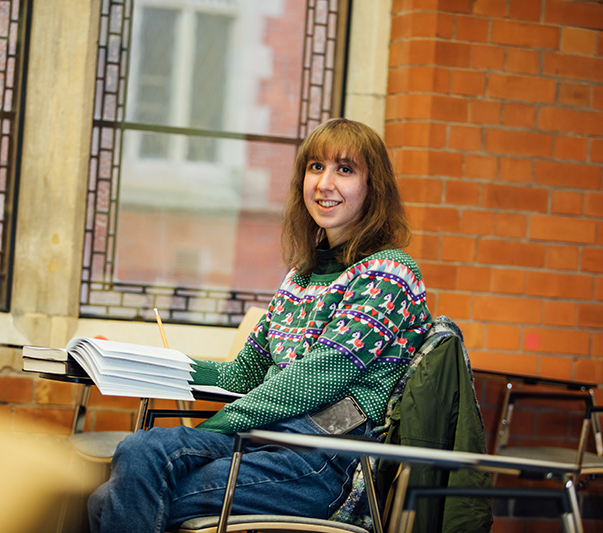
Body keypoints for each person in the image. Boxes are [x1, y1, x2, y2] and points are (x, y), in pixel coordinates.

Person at [88, 118, 432, 532]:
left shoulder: (389, 273)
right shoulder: (300, 277)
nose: (324, 183)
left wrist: (219, 423)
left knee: (117, 493)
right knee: (134, 459)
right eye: (315, 167)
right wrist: (157, 365)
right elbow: (244, 372)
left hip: (326, 461)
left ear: (373, 187)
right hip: (267, 442)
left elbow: (317, 377)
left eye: (345, 169)